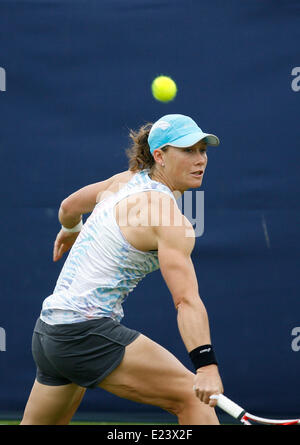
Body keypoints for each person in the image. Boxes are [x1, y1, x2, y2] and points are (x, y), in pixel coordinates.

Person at [20, 114, 224, 425]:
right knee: (192, 400)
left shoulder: (122, 182)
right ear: (159, 156)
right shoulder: (168, 218)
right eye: (188, 151)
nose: (200, 160)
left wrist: (72, 229)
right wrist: (206, 366)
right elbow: (185, 301)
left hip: (49, 334)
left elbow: (68, 208)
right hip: (84, 334)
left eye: (202, 150)